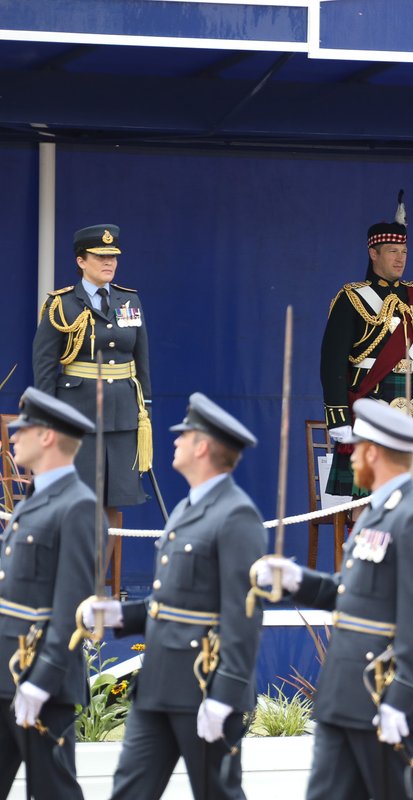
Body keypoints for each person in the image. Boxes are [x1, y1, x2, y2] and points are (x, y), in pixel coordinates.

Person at [254, 399, 413, 800]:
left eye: (356, 448)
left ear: (374, 453)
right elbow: (349, 594)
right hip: (345, 691)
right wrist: (297, 581)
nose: (351, 456)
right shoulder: (373, 513)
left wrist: (401, 697)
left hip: (382, 692)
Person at [80, 393, 265, 800]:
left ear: (202, 447)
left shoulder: (237, 515)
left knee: (218, 793)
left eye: (184, 436)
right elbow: (172, 601)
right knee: (129, 790)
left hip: (204, 686)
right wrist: (116, 615)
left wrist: (226, 695)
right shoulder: (185, 508)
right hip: (159, 684)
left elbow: (244, 613)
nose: (175, 442)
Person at [0, 388, 99, 800]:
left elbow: (71, 607)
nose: (12, 436)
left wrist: (40, 681)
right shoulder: (32, 501)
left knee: (53, 791)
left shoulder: (77, 504)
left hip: (39, 678)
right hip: (7, 674)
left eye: (23, 429)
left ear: (47, 438)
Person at [320, 191, 413, 493]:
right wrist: (338, 415)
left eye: (404, 251)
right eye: (392, 251)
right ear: (373, 253)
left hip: (410, 407)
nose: (400, 258)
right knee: (364, 498)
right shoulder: (351, 298)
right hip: (368, 407)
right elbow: (333, 361)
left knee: (408, 496)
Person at [32, 224, 151, 528]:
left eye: (113, 256)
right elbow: (44, 366)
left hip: (123, 416)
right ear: (81, 261)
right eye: (100, 256)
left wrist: (144, 410)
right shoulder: (62, 305)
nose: (109, 262)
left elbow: (141, 361)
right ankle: (77, 573)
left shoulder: (129, 301)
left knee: (113, 501)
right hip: (77, 417)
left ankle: (96, 575)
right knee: (80, 499)